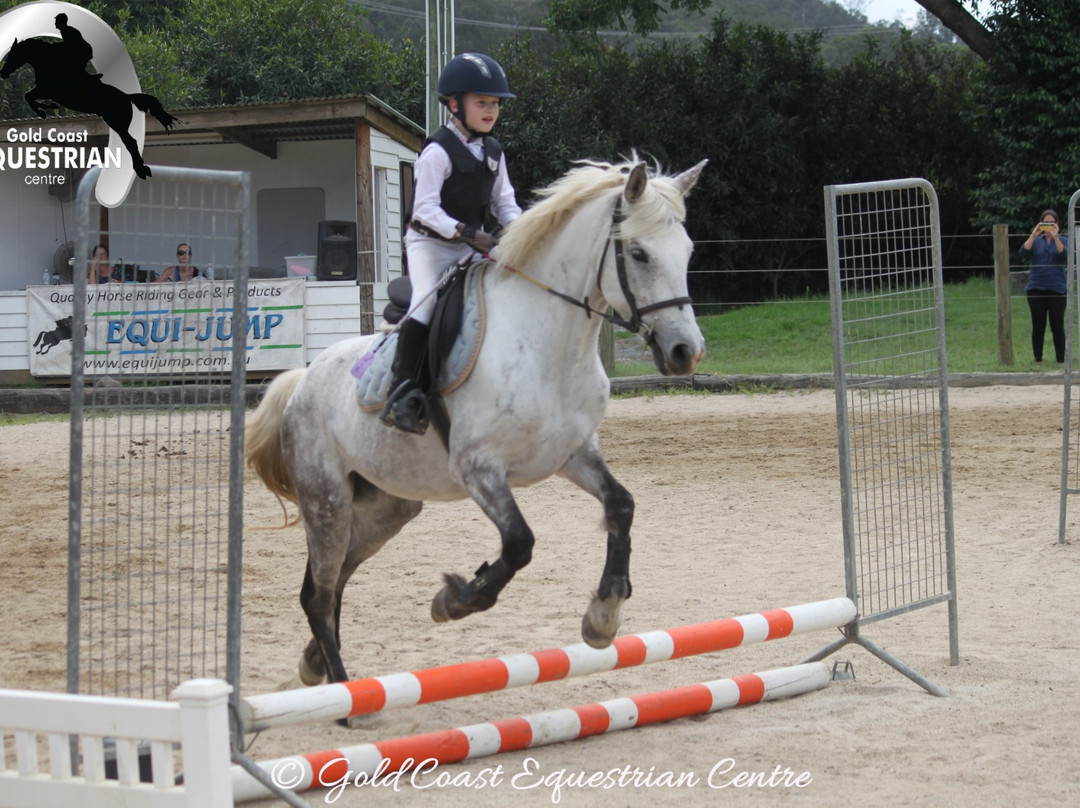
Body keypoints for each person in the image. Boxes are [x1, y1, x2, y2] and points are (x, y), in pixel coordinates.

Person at [381, 53, 521, 435]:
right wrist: (467, 233)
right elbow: (424, 210)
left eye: (495, 104)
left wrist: (524, 233)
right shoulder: (437, 152)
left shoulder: (493, 152)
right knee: (425, 303)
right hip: (429, 245)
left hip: (472, 244)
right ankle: (403, 391)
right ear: (455, 105)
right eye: (482, 102)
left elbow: (504, 203)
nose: (491, 110)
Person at [1018, 209, 1068, 364]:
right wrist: (1033, 235)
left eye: (1052, 223)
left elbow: (1064, 256)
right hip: (1036, 288)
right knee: (1038, 325)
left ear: (1057, 224)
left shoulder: (1063, 240)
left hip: (1057, 289)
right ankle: (1038, 358)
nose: (1049, 226)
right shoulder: (1036, 240)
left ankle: (1060, 359)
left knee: (1057, 325)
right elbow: (1023, 253)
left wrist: (1056, 237)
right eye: (1046, 223)